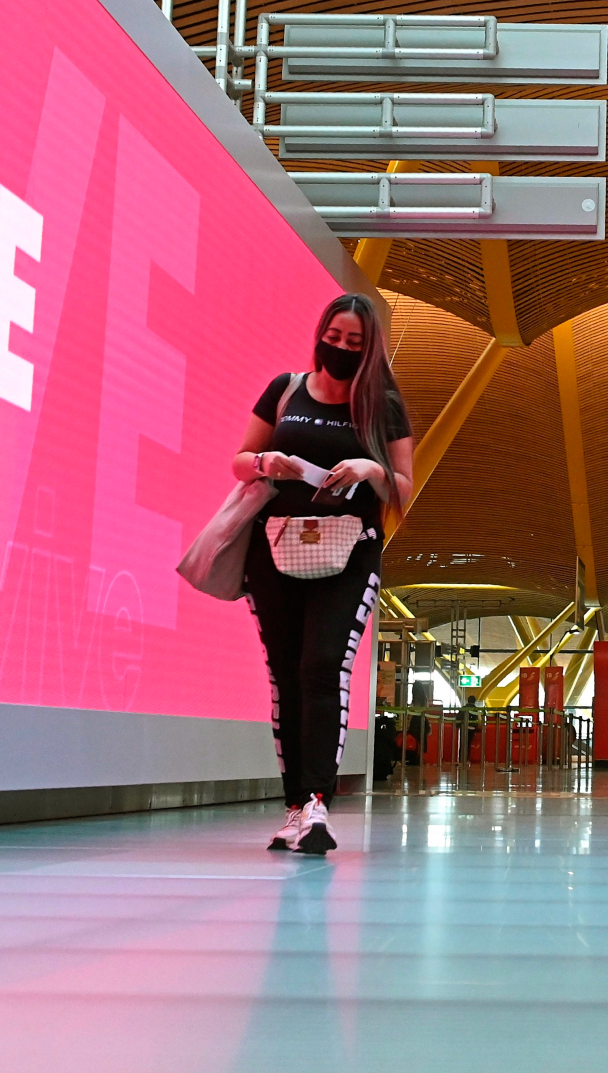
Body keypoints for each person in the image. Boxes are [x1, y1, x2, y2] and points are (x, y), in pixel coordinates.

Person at [233, 292, 414, 856]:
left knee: (322, 666)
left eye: (352, 343)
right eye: (332, 337)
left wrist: (372, 468)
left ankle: (316, 802)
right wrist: (268, 463)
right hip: (275, 546)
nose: (337, 349)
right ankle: (293, 807)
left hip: (349, 551)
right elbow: (241, 457)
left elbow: (405, 487)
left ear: (370, 351)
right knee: (285, 674)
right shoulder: (284, 389)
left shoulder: (382, 407)